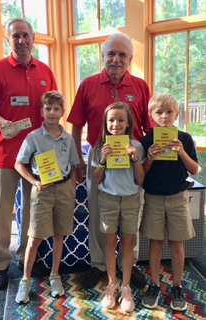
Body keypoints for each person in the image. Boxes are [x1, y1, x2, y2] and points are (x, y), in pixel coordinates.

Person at [67, 32, 153, 289]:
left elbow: (148, 129)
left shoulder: (140, 86)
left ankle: (130, 263)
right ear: (103, 56)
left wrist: (146, 159)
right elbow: (75, 125)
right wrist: (79, 161)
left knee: (131, 213)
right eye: (111, 54)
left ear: (130, 59)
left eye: (122, 55)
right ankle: (99, 264)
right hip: (99, 156)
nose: (116, 59)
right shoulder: (88, 84)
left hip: (131, 156)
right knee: (98, 213)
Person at [0, 18, 57, 290]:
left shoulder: (45, 71)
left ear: (33, 38)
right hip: (5, 153)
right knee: (1, 212)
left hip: (38, 156)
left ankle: (26, 258)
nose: (21, 41)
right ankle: (0, 263)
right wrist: (2, 122)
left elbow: (54, 109)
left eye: (25, 35)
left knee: (33, 210)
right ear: (8, 40)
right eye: (15, 37)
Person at [15, 91, 79, 304]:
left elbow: (73, 164)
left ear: (62, 112)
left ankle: (54, 275)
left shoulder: (68, 138)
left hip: (64, 190)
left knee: (59, 234)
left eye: (56, 109)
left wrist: (72, 187)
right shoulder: (33, 137)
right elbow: (19, 164)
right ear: (42, 111)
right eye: (48, 108)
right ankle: (25, 279)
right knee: (35, 236)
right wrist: (35, 182)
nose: (52, 112)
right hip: (42, 190)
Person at [140, 93, 199, 311]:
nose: (164, 116)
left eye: (169, 112)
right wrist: (150, 158)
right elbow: (142, 177)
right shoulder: (147, 140)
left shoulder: (184, 138)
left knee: (177, 243)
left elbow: (195, 169)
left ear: (177, 114)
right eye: (159, 112)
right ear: (151, 115)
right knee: (155, 243)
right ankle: (154, 284)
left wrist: (181, 151)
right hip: (153, 197)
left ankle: (177, 286)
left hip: (177, 197)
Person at [93, 102, 145, 312]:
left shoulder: (137, 146)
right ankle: (112, 284)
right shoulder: (100, 147)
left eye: (120, 120)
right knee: (109, 242)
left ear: (128, 123)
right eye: (111, 120)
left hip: (131, 199)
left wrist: (134, 157)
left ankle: (126, 287)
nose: (116, 124)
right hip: (108, 199)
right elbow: (96, 179)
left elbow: (141, 179)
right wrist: (104, 160)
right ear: (106, 124)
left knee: (128, 242)